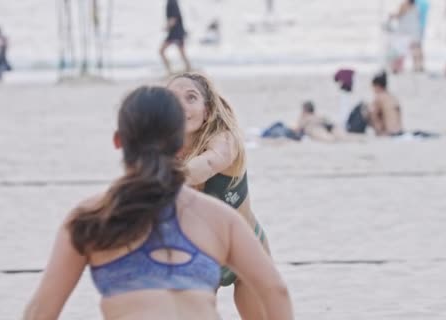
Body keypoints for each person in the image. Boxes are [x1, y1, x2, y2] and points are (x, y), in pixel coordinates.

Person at [23, 86, 293, 320]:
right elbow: (276, 291)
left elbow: (42, 312)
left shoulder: (90, 218)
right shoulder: (219, 218)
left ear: (118, 141)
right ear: (179, 146)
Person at [167, 72, 273, 320]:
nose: (181, 105)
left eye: (190, 97)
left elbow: (208, 164)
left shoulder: (225, 140)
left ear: (207, 110)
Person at [390, 0, 424, 73]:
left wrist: (391, 16)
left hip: (404, 32)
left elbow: (399, 15)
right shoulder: (417, 6)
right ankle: (418, 67)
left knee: (400, 50)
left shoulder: (404, 5)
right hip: (414, 30)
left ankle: (397, 68)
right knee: (415, 49)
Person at [160, 0, 191, 75]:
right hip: (177, 32)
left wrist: (166, 27)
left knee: (161, 51)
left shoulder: (172, 2)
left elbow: (173, 19)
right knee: (182, 52)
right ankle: (188, 68)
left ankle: (169, 70)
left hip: (175, 33)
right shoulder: (173, 2)